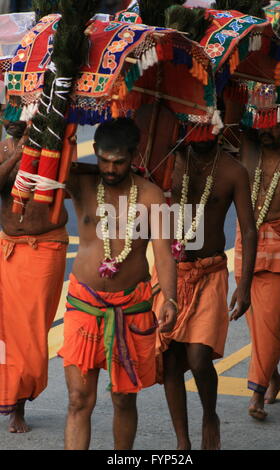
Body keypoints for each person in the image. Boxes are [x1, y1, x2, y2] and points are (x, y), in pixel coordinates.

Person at [58, 118, 178, 450]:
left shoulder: (152, 195)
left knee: (124, 400)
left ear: (134, 155)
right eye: (104, 160)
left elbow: (164, 254)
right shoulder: (81, 182)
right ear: (94, 152)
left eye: (119, 161)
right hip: (84, 305)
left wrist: (170, 298)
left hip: (133, 308)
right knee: (78, 400)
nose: (110, 169)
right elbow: (51, 157)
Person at [152, 136, 258, 450]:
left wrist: (244, 283)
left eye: (205, 127)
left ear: (218, 127)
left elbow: (249, 229)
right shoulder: (169, 160)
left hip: (209, 272)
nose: (199, 134)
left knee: (199, 358)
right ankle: (182, 442)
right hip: (172, 270)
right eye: (192, 125)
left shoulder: (233, 170)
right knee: (170, 359)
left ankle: (209, 415)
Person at [0, 120, 69, 432]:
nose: (11, 119)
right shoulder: (2, 148)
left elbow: (70, 183)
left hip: (45, 249)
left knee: (29, 331)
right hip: (9, 248)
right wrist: (17, 156)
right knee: (5, 330)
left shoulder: (56, 142)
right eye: (7, 108)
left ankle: (21, 404)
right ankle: (10, 399)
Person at [236, 105, 280, 419]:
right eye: (263, 121)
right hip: (245, 242)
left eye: (275, 125)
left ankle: (256, 395)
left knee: (271, 321)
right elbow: (231, 109)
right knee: (258, 324)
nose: (266, 129)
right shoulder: (249, 145)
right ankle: (272, 377)